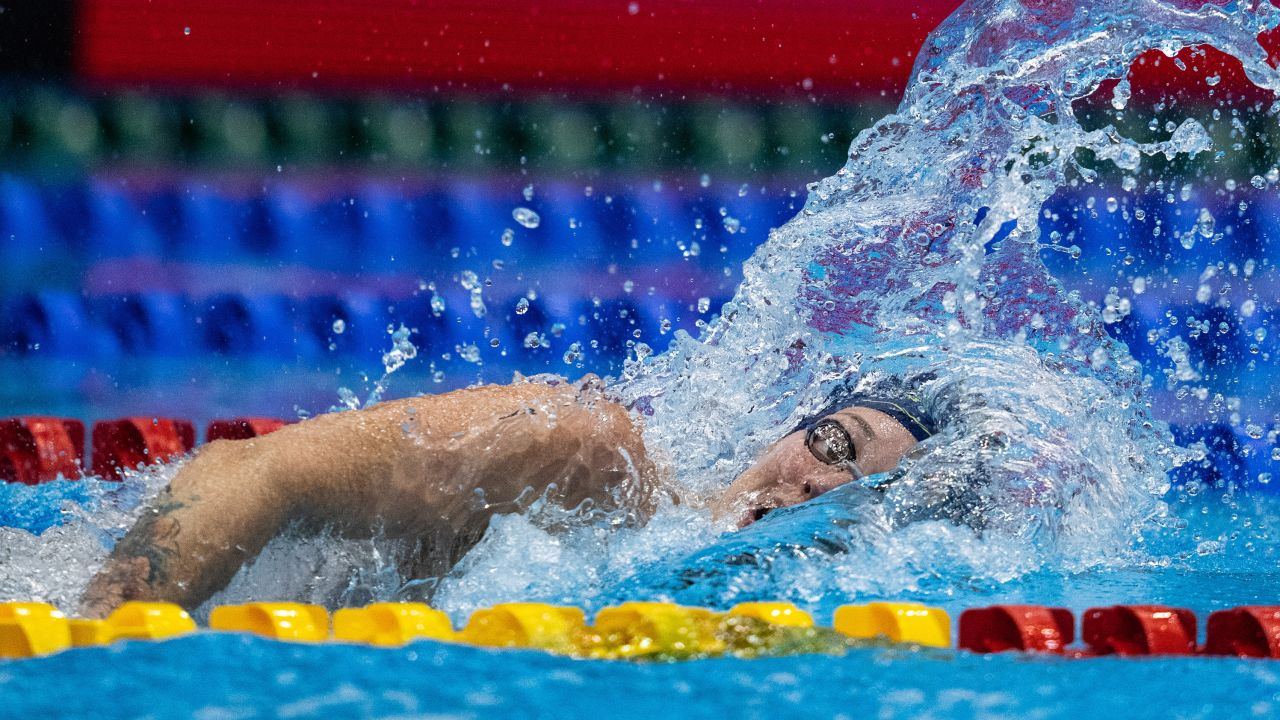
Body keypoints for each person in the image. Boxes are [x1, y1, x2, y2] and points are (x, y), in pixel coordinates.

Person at [79, 375, 935, 617]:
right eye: (834, 444)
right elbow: (249, 472)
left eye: (860, 491)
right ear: (790, 424)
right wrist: (102, 647)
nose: (818, 488)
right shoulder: (585, 453)